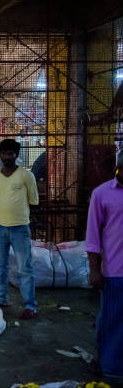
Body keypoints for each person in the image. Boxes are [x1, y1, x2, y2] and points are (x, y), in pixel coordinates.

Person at [0, 139, 39, 320]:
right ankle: (1, 299)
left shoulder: (26, 176)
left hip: (20, 228)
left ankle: (30, 306)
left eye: (11, 153)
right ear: (0, 155)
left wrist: (24, 220)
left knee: (25, 268)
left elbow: (33, 201)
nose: (7, 157)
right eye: (4, 153)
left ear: (16, 155)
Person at [85, 148, 123, 378]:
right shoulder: (102, 194)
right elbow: (92, 236)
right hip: (115, 271)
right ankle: (109, 367)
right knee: (112, 322)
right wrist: (94, 270)